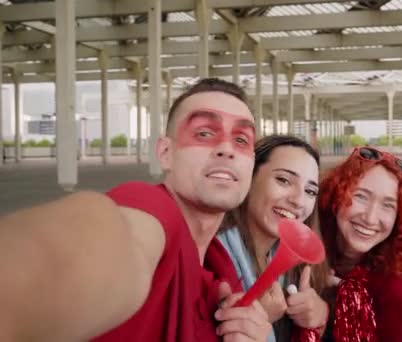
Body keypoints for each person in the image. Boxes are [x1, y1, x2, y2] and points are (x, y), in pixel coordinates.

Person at [0, 78, 271, 341]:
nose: (226, 148)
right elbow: (119, 239)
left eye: (241, 140)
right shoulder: (150, 207)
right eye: (204, 133)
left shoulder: (221, 269)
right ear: (165, 152)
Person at [218, 135, 329, 342]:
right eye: (284, 180)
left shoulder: (294, 268)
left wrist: (320, 318)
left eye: (310, 191)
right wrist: (260, 319)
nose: (298, 201)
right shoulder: (213, 258)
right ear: (249, 178)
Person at [317, 146, 402, 342]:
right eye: (360, 196)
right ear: (336, 195)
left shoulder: (397, 281)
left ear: (399, 218)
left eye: (388, 205)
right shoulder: (305, 248)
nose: (370, 218)